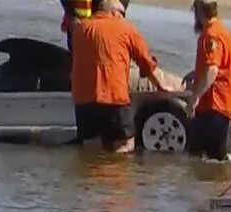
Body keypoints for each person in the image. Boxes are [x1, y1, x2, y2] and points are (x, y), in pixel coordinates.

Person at [70, 0, 172, 153]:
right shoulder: (125, 28)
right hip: (113, 98)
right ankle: (115, 173)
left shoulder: (80, 30)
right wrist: (161, 86)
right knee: (125, 146)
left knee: (91, 150)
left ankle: (92, 175)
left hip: (84, 101)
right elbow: (146, 64)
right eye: (121, 13)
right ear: (113, 11)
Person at [188, 0, 231, 160]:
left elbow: (212, 69)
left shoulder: (211, 35)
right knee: (206, 159)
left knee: (209, 158)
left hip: (215, 105)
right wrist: (195, 73)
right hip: (221, 105)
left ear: (199, 12)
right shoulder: (223, 31)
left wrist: (195, 97)